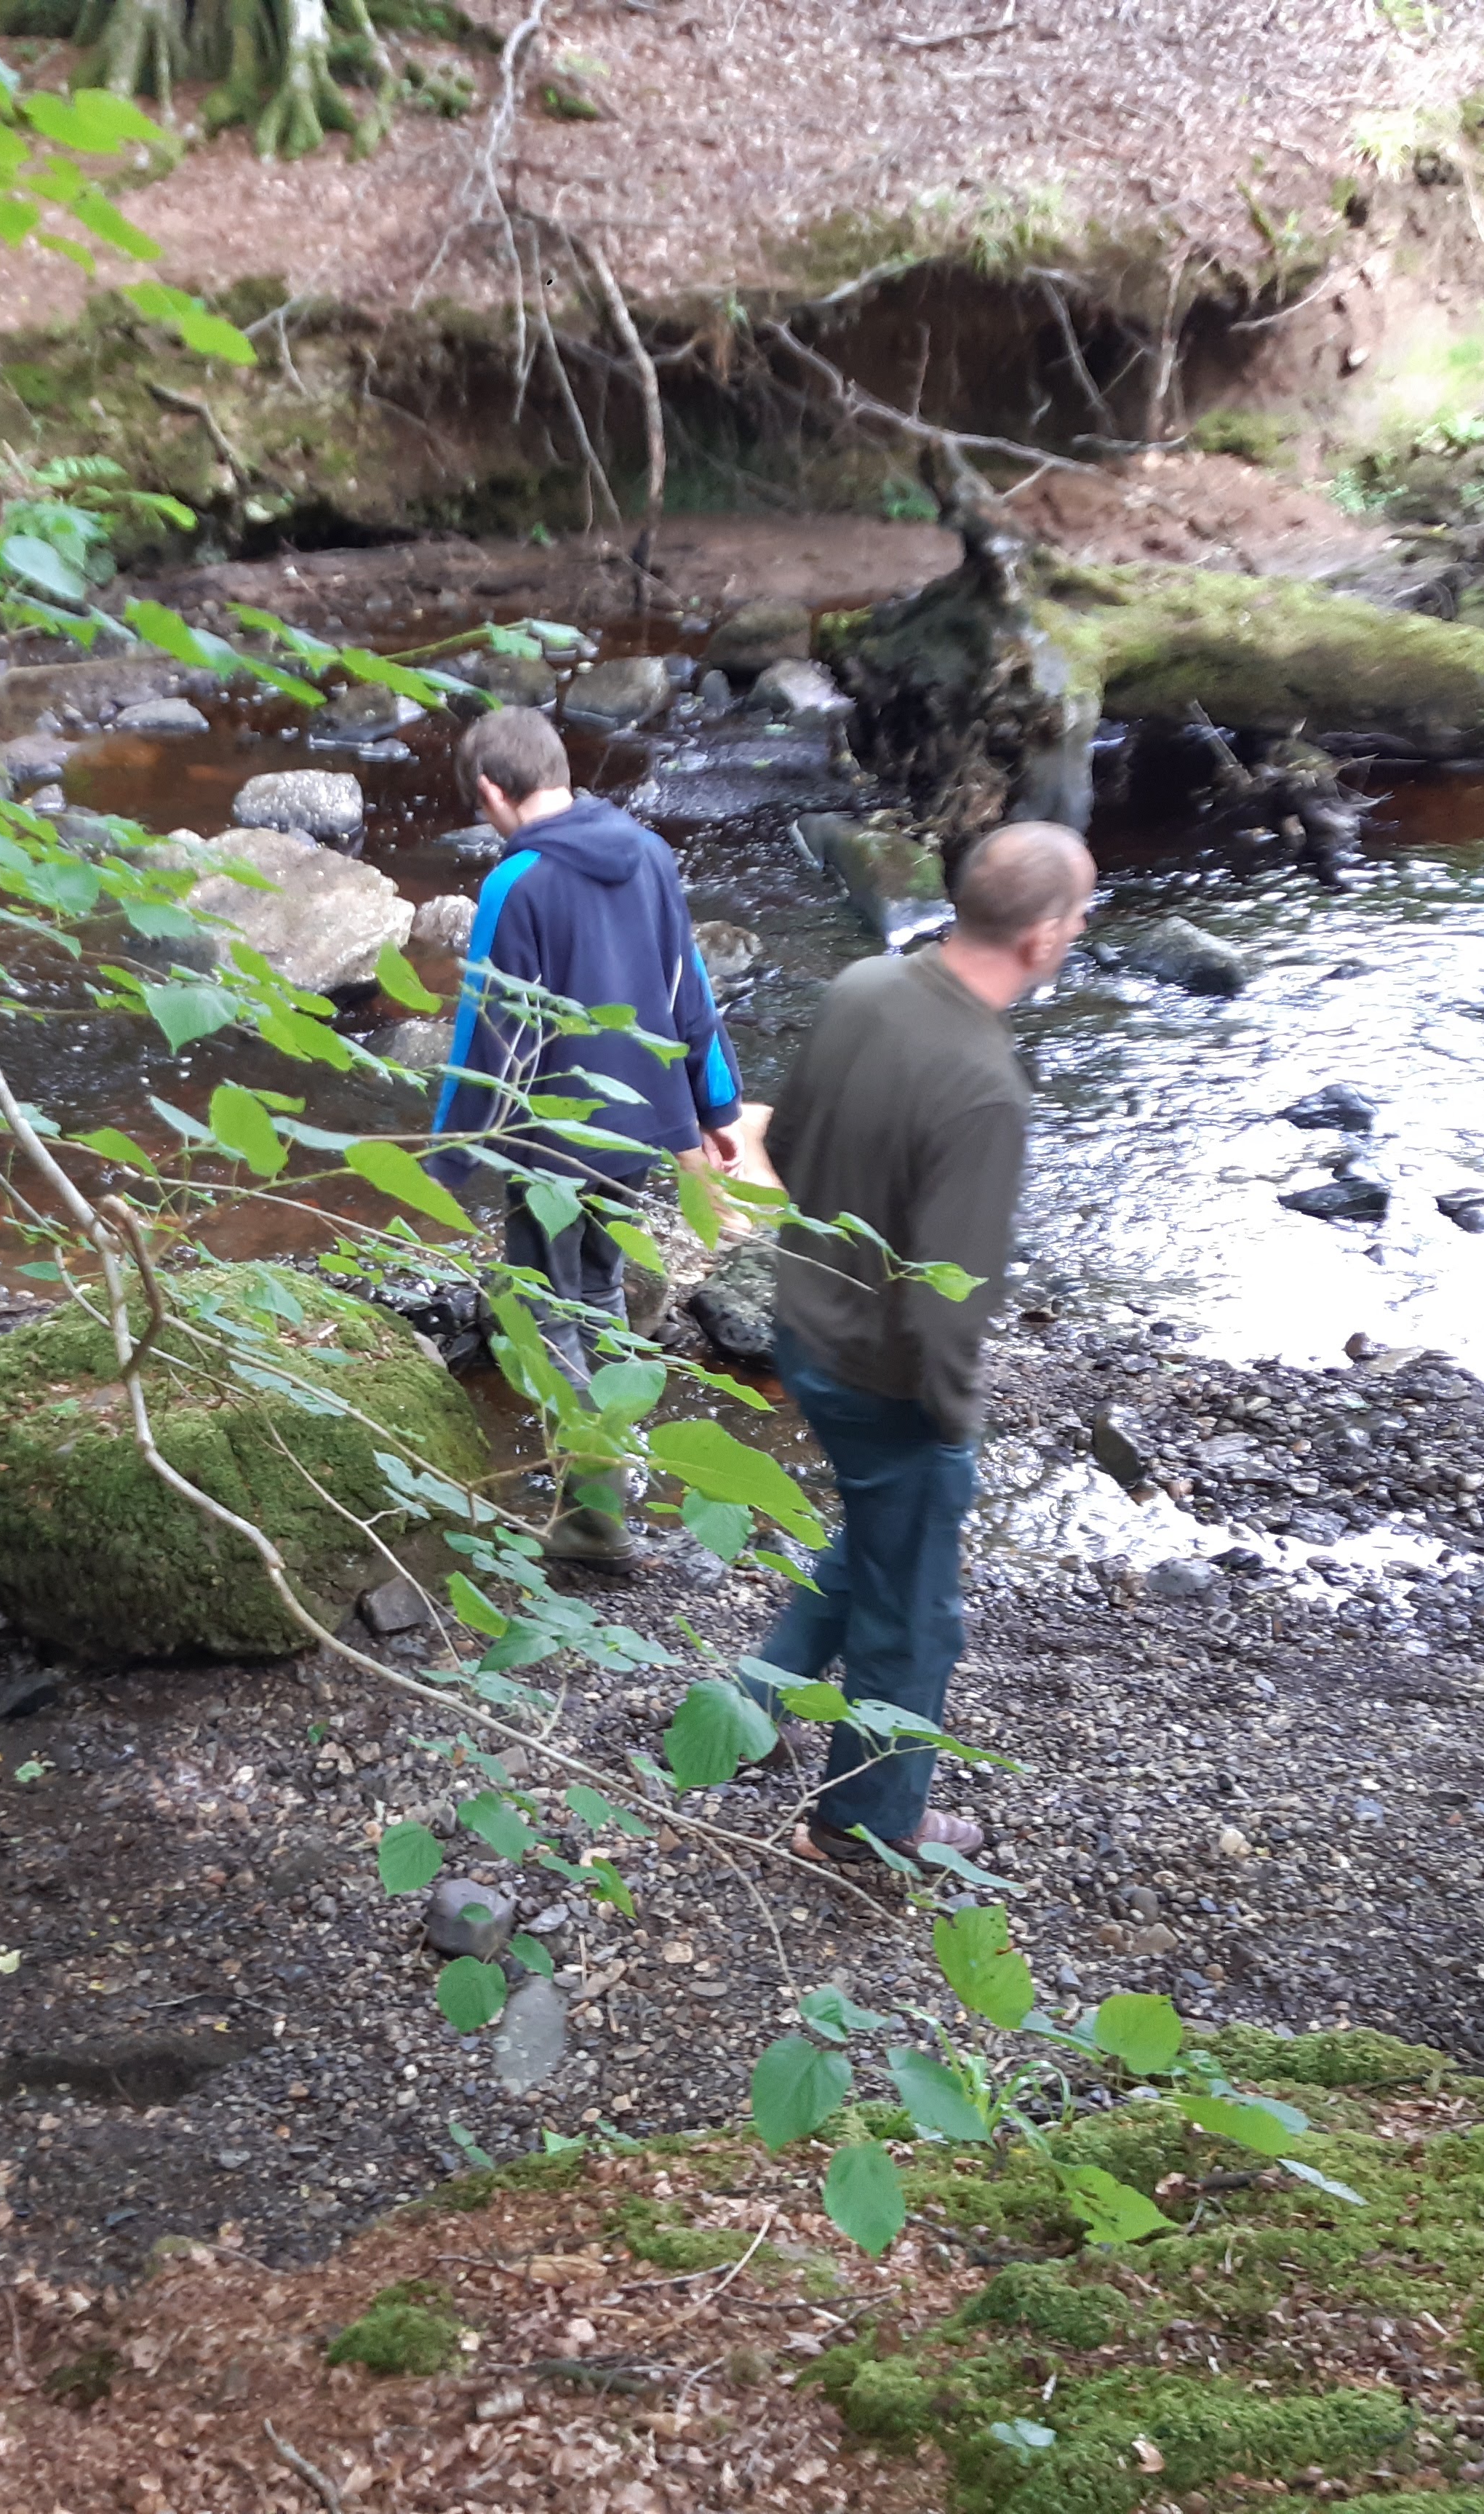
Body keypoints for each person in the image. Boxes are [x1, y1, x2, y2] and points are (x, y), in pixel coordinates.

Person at [751, 818, 1095, 1862]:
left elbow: (789, 1146)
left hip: (802, 1329)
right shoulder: (985, 1088)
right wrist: (953, 1425)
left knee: (874, 1536)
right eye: (1080, 916)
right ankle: (866, 1823)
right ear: (1041, 937)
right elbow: (951, 1307)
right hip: (885, 1381)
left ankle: (751, 1707)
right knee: (913, 1618)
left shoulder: (864, 985)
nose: (1080, 933)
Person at [427, 705, 741, 1563]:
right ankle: (616, 1472)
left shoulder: (516, 882)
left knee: (540, 1307)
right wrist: (715, 1106)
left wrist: (446, 1159)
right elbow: (689, 989)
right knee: (599, 1290)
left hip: (553, 1142)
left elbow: (494, 1033)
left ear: (492, 789)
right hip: (638, 1129)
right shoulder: (649, 852)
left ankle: (593, 1516)